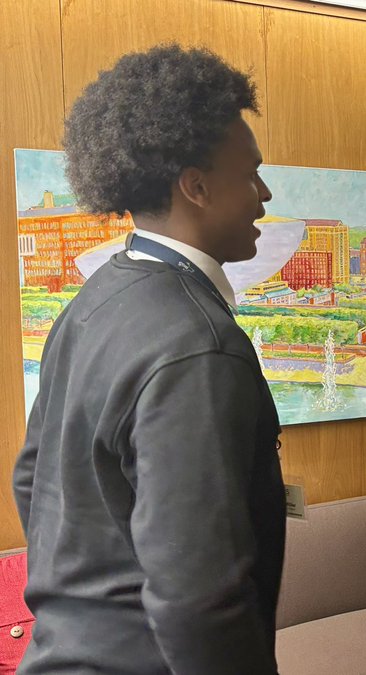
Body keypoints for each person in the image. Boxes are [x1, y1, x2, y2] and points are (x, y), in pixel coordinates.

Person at [12, 45, 284, 673]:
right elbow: (202, 595)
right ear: (196, 186)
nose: (264, 195)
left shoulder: (95, 298)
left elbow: (33, 478)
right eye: (251, 175)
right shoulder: (198, 344)